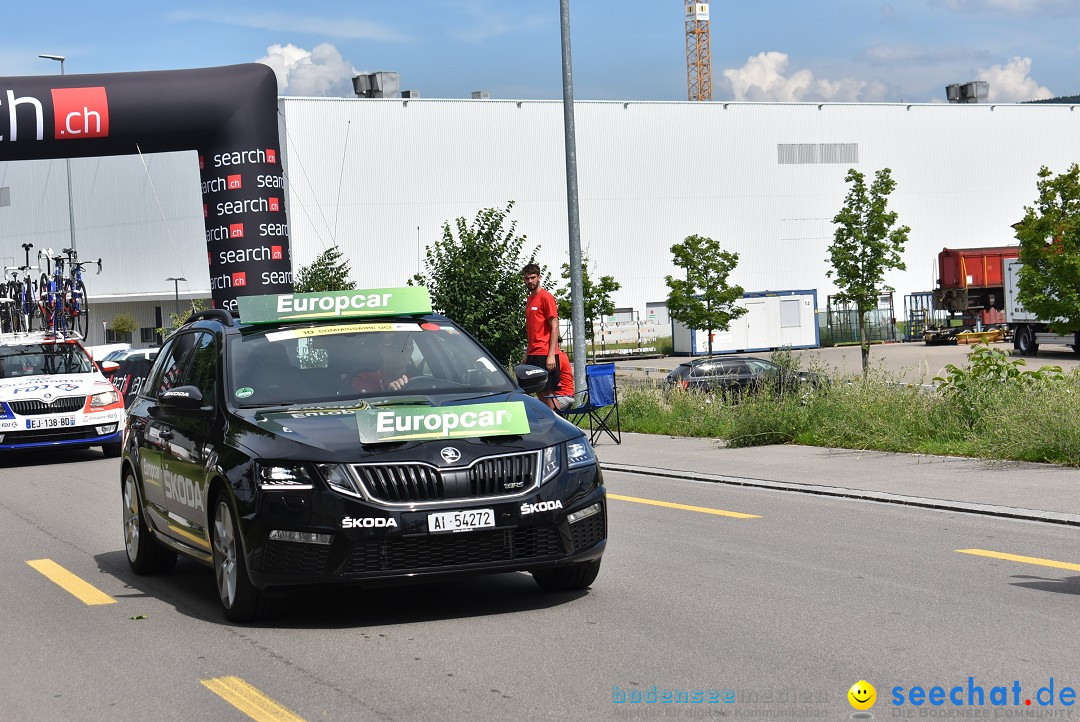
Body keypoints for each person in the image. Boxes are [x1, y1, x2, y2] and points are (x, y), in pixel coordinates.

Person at [521, 263, 560, 409]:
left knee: (548, 391)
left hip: (545, 353)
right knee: (538, 390)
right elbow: (532, 329)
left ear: (539, 277)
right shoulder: (530, 299)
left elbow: (554, 326)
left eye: (532, 278)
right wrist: (527, 352)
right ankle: (548, 420)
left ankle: (556, 422)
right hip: (533, 352)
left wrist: (551, 355)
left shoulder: (546, 297)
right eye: (526, 278)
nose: (529, 281)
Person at [549, 344, 575, 412]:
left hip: (563, 397)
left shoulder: (557, 358)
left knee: (531, 405)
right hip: (564, 396)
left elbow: (549, 376)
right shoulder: (562, 355)